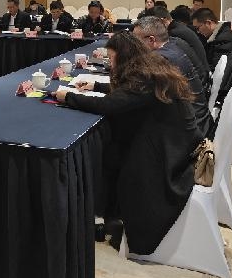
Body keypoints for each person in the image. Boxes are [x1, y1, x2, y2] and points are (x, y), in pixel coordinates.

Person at [55, 31, 202, 255]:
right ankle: (105, 212)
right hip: (177, 139)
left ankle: (103, 213)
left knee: (111, 153)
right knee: (113, 149)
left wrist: (68, 96)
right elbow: (128, 94)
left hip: (169, 152)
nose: (110, 63)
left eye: (112, 58)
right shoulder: (150, 67)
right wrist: (96, 86)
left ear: (123, 56)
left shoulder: (144, 77)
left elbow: (110, 105)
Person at [133, 17, 214, 140]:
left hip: (189, 133)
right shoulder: (173, 46)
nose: (133, 45)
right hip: (199, 121)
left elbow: (135, 90)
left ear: (151, 40)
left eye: (136, 40)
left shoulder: (162, 58)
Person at [153, 6, 210, 79]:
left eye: (152, 24)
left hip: (199, 77)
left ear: (163, 20)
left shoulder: (174, 33)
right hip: (202, 73)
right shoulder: (178, 27)